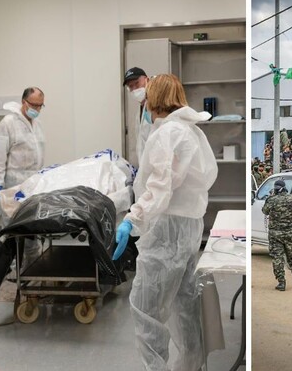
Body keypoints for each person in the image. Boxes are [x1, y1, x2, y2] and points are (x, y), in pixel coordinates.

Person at [112, 74, 217, 371]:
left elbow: (159, 186)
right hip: (189, 228)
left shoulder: (167, 133)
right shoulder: (192, 132)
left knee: (146, 311)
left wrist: (132, 219)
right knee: (185, 306)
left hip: (166, 230)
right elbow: (204, 178)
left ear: (154, 99)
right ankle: (191, 366)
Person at [0, 87, 45, 270]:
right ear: (24, 102)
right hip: (14, 183)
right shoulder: (8, 122)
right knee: (12, 227)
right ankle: (12, 267)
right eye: (34, 105)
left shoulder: (35, 124)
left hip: (33, 182)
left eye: (40, 106)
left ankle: (32, 264)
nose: (36, 109)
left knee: (32, 226)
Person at [262, 180, 292, 291]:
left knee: (277, 257)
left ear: (275, 189)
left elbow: (264, 211)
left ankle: (281, 282)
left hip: (276, 234)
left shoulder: (271, 200)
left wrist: (271, 197)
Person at [124, 67, 152, 162]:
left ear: (147, 80)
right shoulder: (141, 109)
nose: (134, 89)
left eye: (137, 83)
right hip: (147, 165)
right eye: (130, 86)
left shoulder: (155, 105)